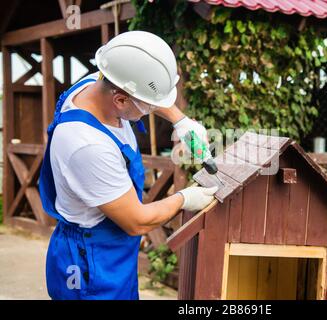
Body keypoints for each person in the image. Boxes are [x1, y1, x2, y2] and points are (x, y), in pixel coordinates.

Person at [39, 31, 218, 300]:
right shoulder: (87, 145)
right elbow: (136, 221)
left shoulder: (98, 82)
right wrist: (184, 199)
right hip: (91, 262)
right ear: (120, 100)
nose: (149, 111)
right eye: (147, 107)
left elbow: (139, 90)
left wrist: (181, 121)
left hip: (111, 251)